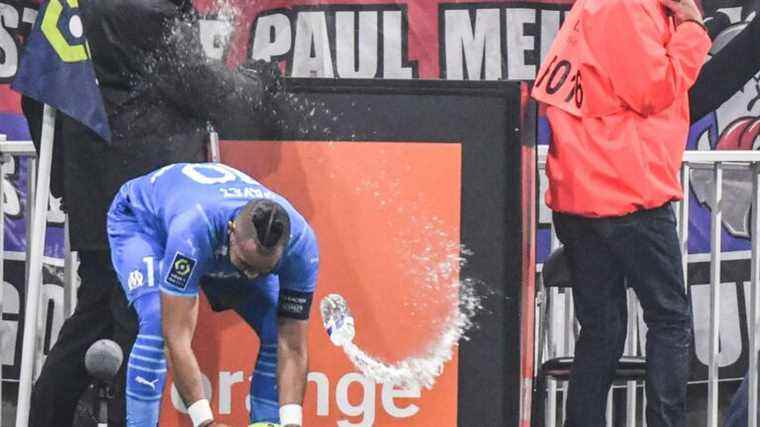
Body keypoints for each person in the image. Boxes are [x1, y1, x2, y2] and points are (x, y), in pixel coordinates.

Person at [21, 0, 282, 425]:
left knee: (100, 313)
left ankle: (46, 417)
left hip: (99, 188)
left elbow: (36, 97)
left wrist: (66, 183)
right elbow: (201, 88)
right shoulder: (146, 8)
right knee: (136, 326)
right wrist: (258, 81)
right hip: (141, 198)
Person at [532, 0, 711, 426]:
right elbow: (653, 88)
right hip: (628, 193)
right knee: (669, 319)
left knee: (603, 330)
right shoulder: (626, 7)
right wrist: (693, 30)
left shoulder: (599, 8)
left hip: (583, 194)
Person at [106, 162, 318, 427]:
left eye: (265, 270)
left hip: (216, 244)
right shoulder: (193, 229)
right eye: (247, 266)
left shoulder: (302, 246)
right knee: (157, 320)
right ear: (231, 231)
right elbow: (176, 339)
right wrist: (204, 422)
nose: (251, 276)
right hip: (145, 225)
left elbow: (293, 344)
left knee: (277, 327)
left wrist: (292, 423)